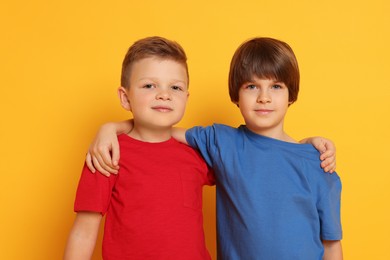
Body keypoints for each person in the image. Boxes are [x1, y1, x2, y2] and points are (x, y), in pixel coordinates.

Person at [87, 37, 342, 259]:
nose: (264, 97)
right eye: (252, 86)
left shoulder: (318, 162)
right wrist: (111, 128)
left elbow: (331, 245)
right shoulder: (221, 141)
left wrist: (308, 144)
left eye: (276, 86)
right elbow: (157, 128)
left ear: (291, 95)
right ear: (236, 95)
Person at [64, 36, 215, 260]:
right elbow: (84, 232)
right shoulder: (107, 153)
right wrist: (110, 130)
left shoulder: (197, 152)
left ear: (186, 97)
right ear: (125, 98)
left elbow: (245, 170)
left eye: (175, 87)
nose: (164, 94)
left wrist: (111, 126)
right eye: (149, 85)